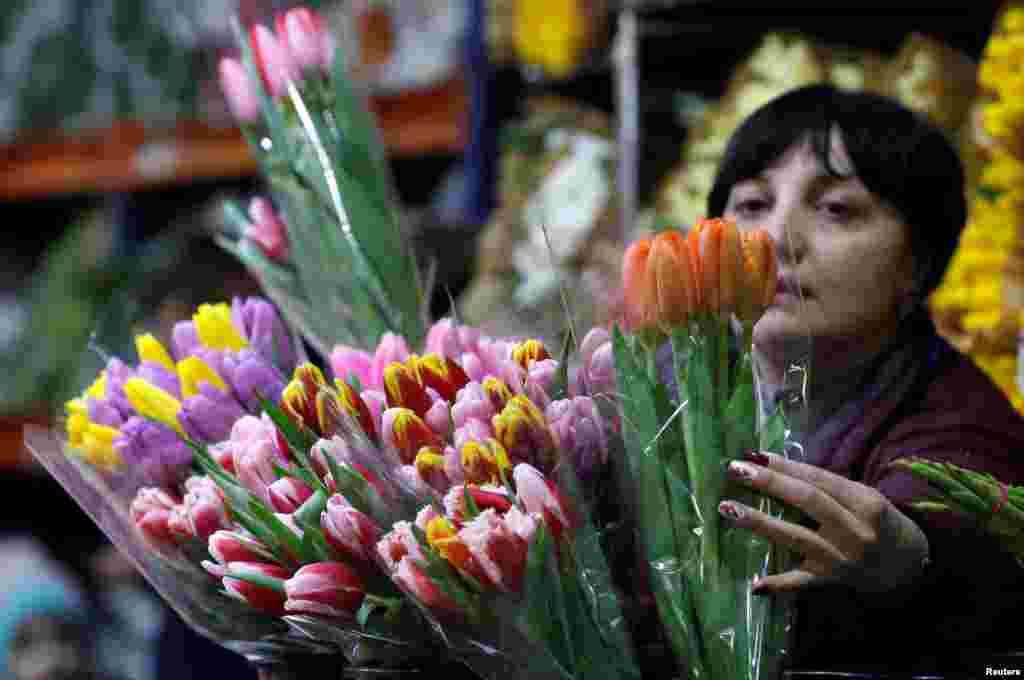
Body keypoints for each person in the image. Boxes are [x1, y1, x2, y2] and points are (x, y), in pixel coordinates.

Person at [705, 84, 1024, 674]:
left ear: (920, 264)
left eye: (837, 210)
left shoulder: (962, 424)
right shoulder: (663, 383)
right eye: (751, 205)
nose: (776, 240)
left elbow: (969, 553)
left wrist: (913, 561)